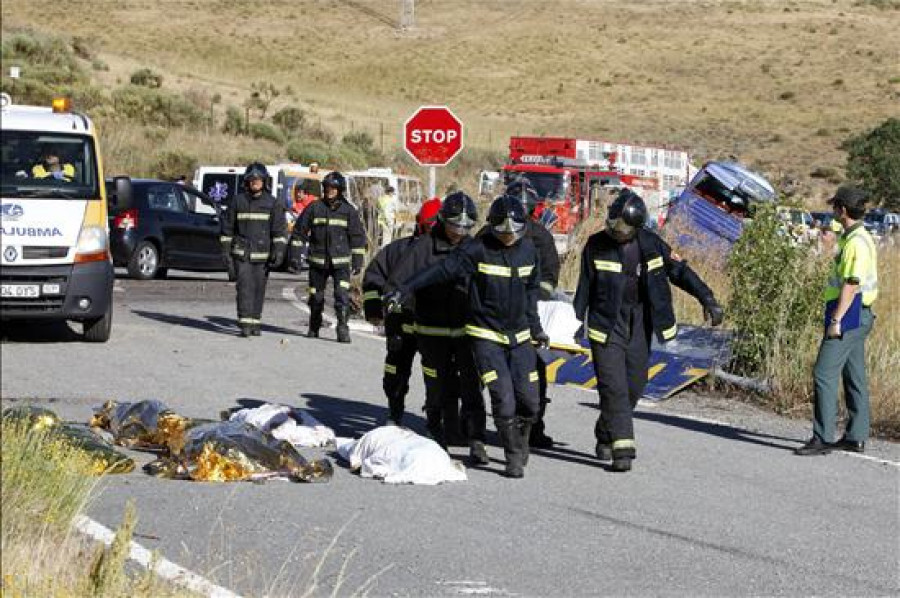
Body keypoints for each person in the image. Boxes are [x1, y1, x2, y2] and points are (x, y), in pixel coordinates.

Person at [389, 194, 549, 478]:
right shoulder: (477, 250)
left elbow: (531, 292)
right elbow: (441, 270)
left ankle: (521, 435)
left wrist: (536, 328)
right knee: (500, 396)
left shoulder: (529, 252)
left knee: (529, 400)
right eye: (503, 231)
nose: (509, 236)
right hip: (480, 333)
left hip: (519, 336)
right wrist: (405, 289)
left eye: (514, 232)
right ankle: (508, 454)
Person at [573, 189, 724, 472]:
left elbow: (680, 272)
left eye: (624, 228)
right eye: (614, 224)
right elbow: (584, 287)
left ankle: (606, 431)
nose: (617, 232)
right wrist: (575, 321)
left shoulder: (652, 244)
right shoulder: (596, 245)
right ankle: (623, 449)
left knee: (635, 384)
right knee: (613, 385)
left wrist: (707, 298)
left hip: (640, 321)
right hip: (606, 323)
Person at [385, 192, 485, 459]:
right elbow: (398, 286)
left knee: (471, 385)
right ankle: (435, 428)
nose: (459, 232)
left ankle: (474, 437)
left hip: (465, 330)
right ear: (442, 221)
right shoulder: (423, 248)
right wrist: (395, 327)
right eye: (454, 226)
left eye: (465, 227)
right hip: (431, 329)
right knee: (437, 384)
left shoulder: (473, 247)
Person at [795, 186, 878, 456]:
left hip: (849, 314)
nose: (832, 211)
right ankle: (856, 436)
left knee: (823, 373)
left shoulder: (855, 243)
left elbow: (851, 286)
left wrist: (836, 320)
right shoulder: (856, 236)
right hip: (859, 314)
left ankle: (822, 437)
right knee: (854, 375)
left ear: (842, 210)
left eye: (835, 207)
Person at [362, 197, 442, 426]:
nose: (433, 230)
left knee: (436, 375)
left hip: (433, 327)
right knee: (395, 371)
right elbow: (374, 277)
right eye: (429, 225)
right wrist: (374, 309)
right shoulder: (398, 250)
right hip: (400, 324)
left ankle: (435, 418)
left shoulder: (450, 254)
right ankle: (395, 412)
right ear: (420, 223)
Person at [504, 179, 561, 448]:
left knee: (534, 374)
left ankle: (534, 427)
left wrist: (535, 296)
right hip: (494, 318)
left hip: (530, 317)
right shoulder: (489, 234)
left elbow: (550, 278)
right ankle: (470, 422)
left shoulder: (541, 238)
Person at [289, 171, 366, 343]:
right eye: (327, 188)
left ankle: (343, 328)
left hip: (340, 264)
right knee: (316, 297)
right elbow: (299, 231)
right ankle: (314, 325)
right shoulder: (315, 208)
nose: (330, 191)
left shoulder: (348, 211)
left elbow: (358, 237)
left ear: (340, 190)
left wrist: (358, 260)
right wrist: (295, 255)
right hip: (318, 262)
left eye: (334, 188)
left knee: (341, 296)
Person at [220, 163, 287, 337]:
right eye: (252, 179)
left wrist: (278, 251)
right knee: (244, 287)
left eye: (258, 180)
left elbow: (279, 231)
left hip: (262, 256)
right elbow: (227, 229)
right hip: (242, 255)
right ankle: (244, 322)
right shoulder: (238, 201)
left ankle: (255, 322)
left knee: (259, 289)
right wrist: (226, 253)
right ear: (247, 181)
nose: (255, 182)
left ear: (264, 181)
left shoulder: (273, 203)